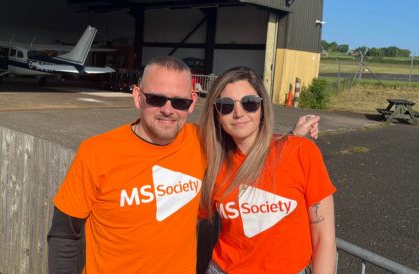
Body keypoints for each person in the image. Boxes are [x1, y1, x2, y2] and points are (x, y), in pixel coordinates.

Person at [47, 56, 320, 274]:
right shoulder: (96, 152)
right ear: (138, 97)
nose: (168, 109)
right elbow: (64, 235)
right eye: (156, 98)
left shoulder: (201, 142)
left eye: (178, 101)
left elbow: (247, 135)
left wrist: (293, 138)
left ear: (191, 104)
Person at [197, 66, 336, 274]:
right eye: (225, 106)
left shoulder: (301, 152)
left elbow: (323, 238)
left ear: (262, 108)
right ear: (216, 115)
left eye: (249, 103)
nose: (238, 113)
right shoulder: (212, 163)